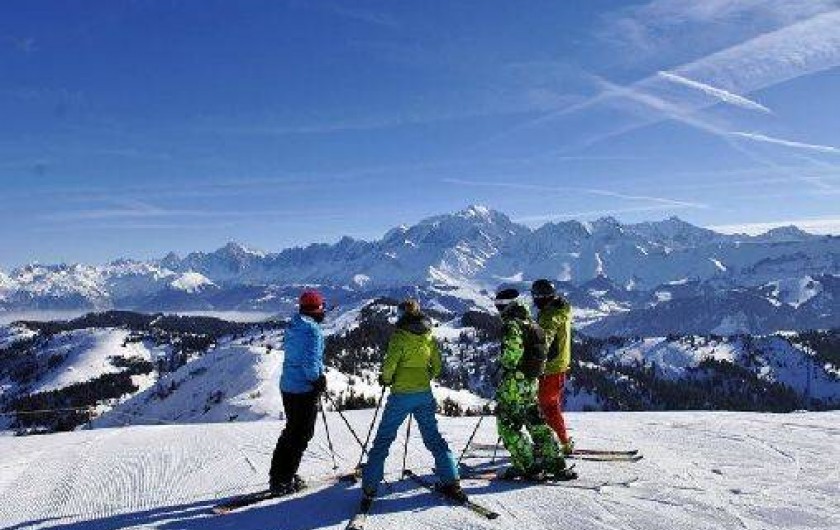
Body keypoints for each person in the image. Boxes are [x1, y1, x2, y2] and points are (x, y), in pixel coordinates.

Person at [361, 298, 463, 506]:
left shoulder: (399, 337)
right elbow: (436, 365)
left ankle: (370, 486)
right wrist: (425, 377)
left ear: (403, 315)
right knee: (434, 438)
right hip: (423, 393)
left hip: (401, 395)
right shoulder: (428, 335)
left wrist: (386, 379)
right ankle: (451, 480)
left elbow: (390, 365)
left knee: (383, 439)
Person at [494, 287, 576, 481]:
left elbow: (511, 357)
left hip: (515, 384)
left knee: (507, 425)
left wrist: (504, 363)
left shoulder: (512, 325)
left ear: (506, 306)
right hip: (532, 382)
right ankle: (555, 463)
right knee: (537, 422)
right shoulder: (532, 322)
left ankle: (527, 465)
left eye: (499, 306)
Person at [268, 289, 328, 494]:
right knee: (301, 434)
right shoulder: (313, 331)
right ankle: (284, 480)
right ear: (317, 309)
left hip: (288, 386)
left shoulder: (294, 325)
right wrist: (318, 379)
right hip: (303, 388)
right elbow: (310, 362)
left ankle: (279, 476)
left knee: (291, 431)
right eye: (322, 308)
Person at [531, 279, 575, 455]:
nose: (534, 301)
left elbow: (546, 336)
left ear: (542, 297)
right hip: (558, 364)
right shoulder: (558, 308)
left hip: (550, 366)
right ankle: (559, 441)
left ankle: (554, 443)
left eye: (536, 297)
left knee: (545, 406)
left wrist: (535, 357)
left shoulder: (550, 315)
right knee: (549, 405)